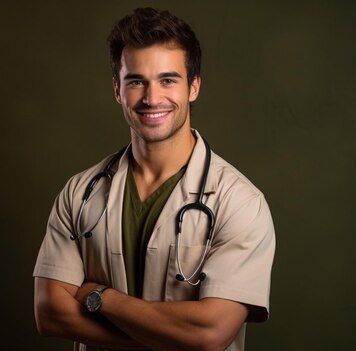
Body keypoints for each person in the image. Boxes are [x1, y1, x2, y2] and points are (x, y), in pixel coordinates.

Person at [33, 7, 275, 351]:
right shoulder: (80, 192)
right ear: (117, 89)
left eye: (168, 80)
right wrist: (165, 339)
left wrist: (100, 297)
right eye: (136, 81)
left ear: (193, 87)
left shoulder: (239, 203)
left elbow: (210, 334)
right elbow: (49, 313)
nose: (151, 98)